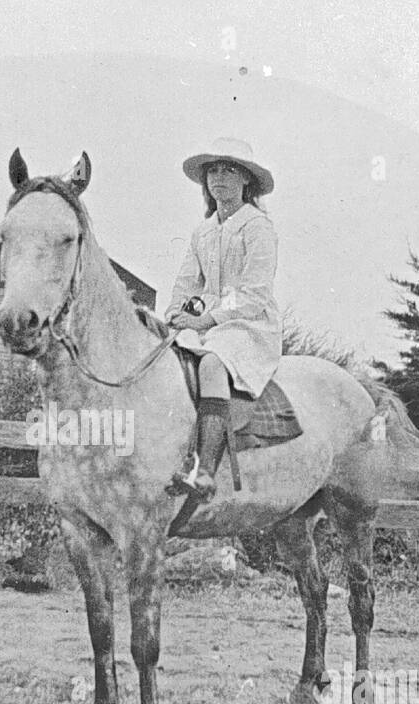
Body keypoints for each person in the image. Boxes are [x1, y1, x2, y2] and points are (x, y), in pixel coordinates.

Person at [164, 137, 283, 501]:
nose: (220, 178)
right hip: (207, 323)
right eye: (213, 171)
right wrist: (174, 311)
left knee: (212, 364)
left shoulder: (258, 227)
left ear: (247, 180)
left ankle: (204, 471)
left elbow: (254, 293)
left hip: (249, 325)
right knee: (167, 358)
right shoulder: (203, 231)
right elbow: (186, 282)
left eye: (230, 170)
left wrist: (207, 319)